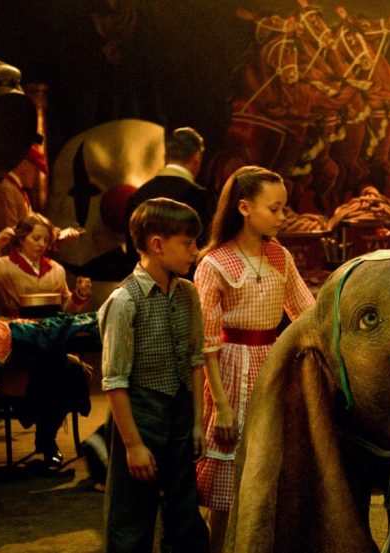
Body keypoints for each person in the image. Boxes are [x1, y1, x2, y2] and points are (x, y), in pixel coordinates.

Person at [194, 165, 314, 552]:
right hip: (229, 368)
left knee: (270, 468)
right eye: (274, 209)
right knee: (227, 486)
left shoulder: (279, 255)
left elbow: (306, 311)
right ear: (244, 208)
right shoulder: (214, 263)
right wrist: (221, 406)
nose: (282, 217)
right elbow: (207, 343)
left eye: (283, 208)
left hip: (272, 364)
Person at [98, 198, 210, 552]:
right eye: (187, 243)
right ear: (157, 245)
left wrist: (197, 422)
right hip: (140, 416)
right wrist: (133, 445)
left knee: (184, 513)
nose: (195, 251)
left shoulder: (187, 294)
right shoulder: (125, 301)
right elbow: (114, 381)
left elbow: (195, 360)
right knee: (131, 517)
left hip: (180, 413)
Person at [0, 213, 93, 466]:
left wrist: (78, 296)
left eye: (45, 240)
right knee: (60, 368)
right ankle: (46, 435)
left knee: (69, 370)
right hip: (16, 346)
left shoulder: (55, 270)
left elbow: (64, 310)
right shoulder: (2, 266)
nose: (41, 244)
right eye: (36, 238)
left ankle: (47, 436)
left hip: (49, 343)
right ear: (21, 239)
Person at [124, 127, 213, 271]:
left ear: (165, 157)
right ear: (197, 158)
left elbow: (132, 254)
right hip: (191, 280)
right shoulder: (201, 197)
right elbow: (205, 251)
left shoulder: (138, 196)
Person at [0, 144, 48, 243]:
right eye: (35, 170)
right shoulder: (5, 189)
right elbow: (9, 233)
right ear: (24, 165)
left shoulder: (16, 189)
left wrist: (52, 233)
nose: (36, 177)